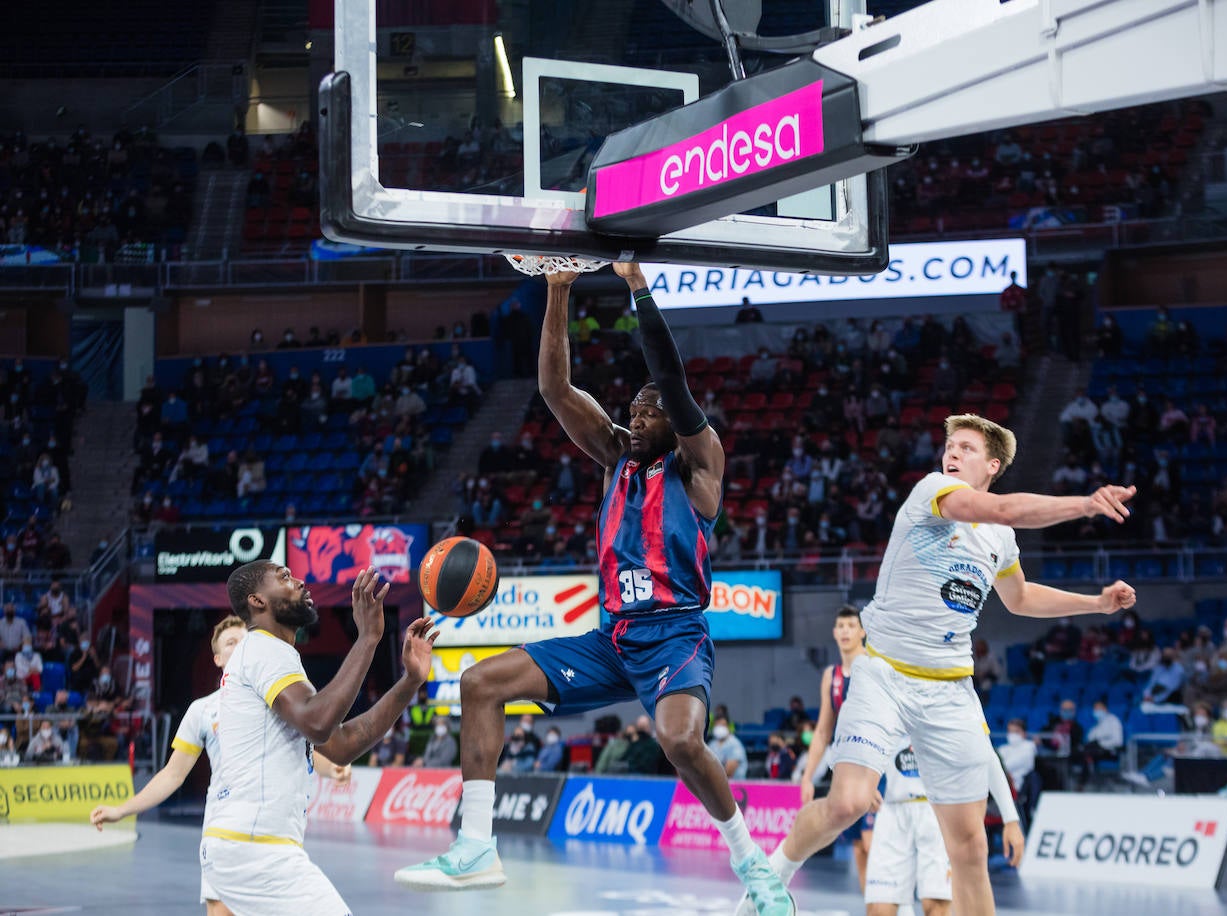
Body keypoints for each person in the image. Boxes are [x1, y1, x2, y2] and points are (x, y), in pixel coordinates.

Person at [397, 262, 795, 916]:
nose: (636, 420)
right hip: (610, 639)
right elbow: (554, 387)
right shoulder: (615, 457)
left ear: (676, 420)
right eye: (632, 412)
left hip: (673, 635)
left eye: (649, 413)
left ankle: (752, 865)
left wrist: (637, 285)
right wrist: (558, 287)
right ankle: (475, 846)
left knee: (679, 740)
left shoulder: (698, 467)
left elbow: (670, 378)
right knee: (478, 684)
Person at [742, 414, 1135, 916]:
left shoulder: (998, 541)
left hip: (950, 689)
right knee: (848, 803)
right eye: (950, 447)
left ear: (992, 463)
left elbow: (1020, 598)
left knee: (970, 847)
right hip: (884, 672)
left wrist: (1097, 604)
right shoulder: (933, 491)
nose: (952, 455)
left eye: (967, 449)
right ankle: (770, 874)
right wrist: (1083, 503)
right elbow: (1002, 507)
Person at [199, 561, 438, 916]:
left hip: (245, 845)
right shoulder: (265, 650)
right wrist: (368, 639)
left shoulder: (272, 657)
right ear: (258, 601)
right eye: (283, 577)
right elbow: (319, 722)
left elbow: (340, 745)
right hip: (256, 848)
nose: (299, 580)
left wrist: (409, 683)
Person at [89, 617, 348, 913]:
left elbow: (302, 752)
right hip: (226, 833)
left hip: (274, 832)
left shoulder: (276, 698)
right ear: (217, 659)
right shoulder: (202, 710)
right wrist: (121, 810)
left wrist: (334, 768)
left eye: (244, 641)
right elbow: (173, 775)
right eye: (230, 643)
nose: (240, 647)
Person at [865, 744, 1021, 916]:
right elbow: (859, 736)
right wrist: (862, 780)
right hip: (892, 807)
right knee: (878, 909)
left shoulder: (963, 715)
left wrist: (1011, 819)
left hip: (938, 808)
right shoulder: (887, 715)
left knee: (936, 906)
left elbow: (987, 754)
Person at [796, 605, 876, 889]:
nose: (845, 631)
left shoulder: (875, 666)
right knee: (859, 847)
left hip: (876, 767)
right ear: (833, 632)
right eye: (840, 626)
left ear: (863, 631)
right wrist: (807, 776)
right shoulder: (832, 675)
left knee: (873, 844)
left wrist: (876, 776)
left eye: (851, 626)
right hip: (847, 770)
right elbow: (822, 731)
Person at [710, 713, 749, 778]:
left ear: (728, 726)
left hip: (735, 785)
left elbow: (728, 772)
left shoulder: (735, 744)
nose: (719, 728)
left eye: (722, 725)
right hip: (715, 784)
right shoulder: (712, 744)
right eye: (717, 725)